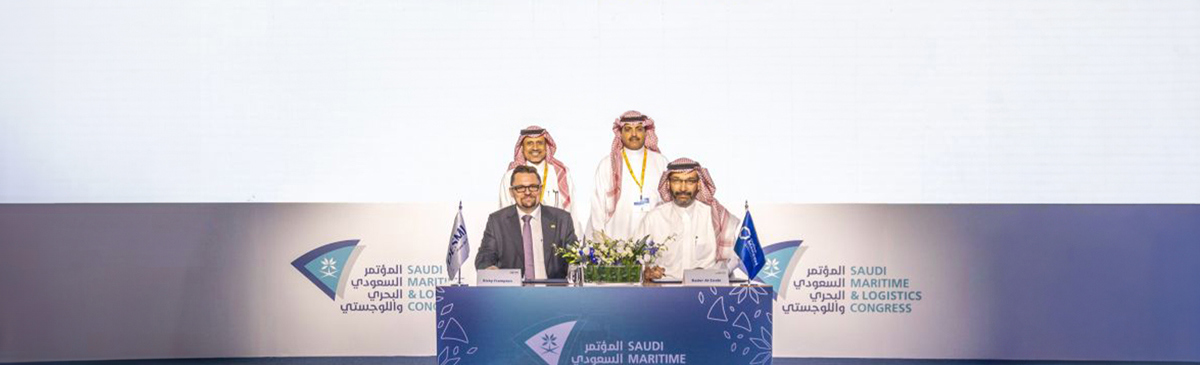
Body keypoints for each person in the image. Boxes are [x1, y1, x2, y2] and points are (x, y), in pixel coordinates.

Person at [635, 158, 740, 280]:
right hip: (663, 291)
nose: (683, 188)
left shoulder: (715, 216)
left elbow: (733, 257)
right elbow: (636, 257)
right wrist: (646, 272)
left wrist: (715, 275)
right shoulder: (653, 218)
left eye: (690, 181)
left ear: (699, 184)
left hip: (706, 291)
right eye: (676, 181)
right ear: (668, 184)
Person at [476, 165, 577, 280]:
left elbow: (575, 257)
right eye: (520, 188)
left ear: (540, 189)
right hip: (513, 294)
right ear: (511, 192)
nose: (527, 192)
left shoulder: (562, 219)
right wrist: (489, 268)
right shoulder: (497, 221)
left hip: (553, 293)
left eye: (533, 187)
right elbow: (485, 256)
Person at [585, 110, 669, 240]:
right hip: (615, 243)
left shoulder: (660, 162)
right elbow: (597, 206)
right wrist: (602, 242)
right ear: (620, 133)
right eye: (628, 129)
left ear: (646, 132)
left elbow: (669, 205)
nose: (634, 134)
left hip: (654, 243)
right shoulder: (607, 164)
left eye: (639, 129)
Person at [498, 126, 580, 234]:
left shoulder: (561, 174)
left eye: (540, 143)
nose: (535, 148)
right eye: (529, 143)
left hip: (557, 240)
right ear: (522, 148)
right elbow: (505, 216)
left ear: (546, 146)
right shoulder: (510, 177)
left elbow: (572, 211)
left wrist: (575, 243)